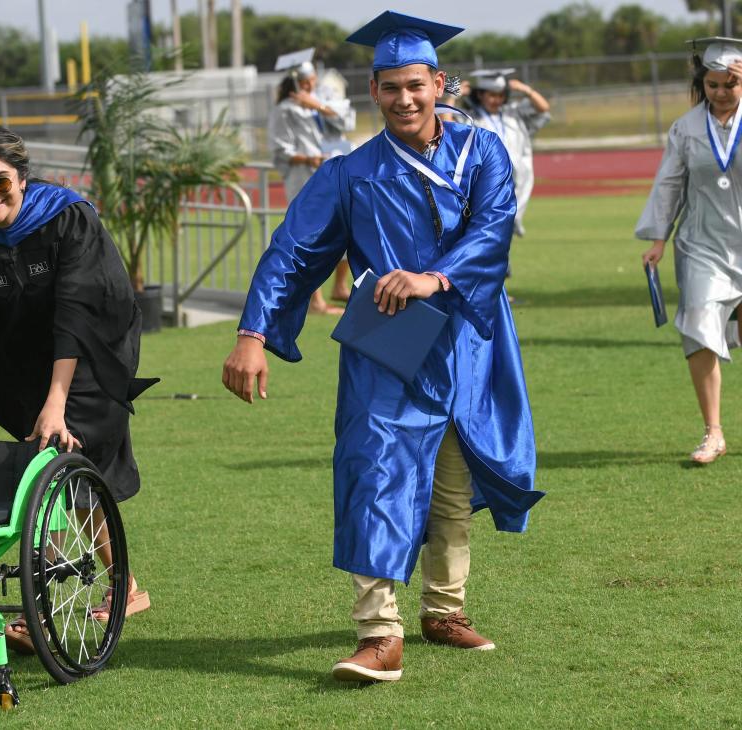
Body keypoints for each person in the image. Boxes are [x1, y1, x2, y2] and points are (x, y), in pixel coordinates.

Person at [223, 11, 543, 683]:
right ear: (374, 90)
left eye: (416, 85)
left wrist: (434, 277)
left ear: (439, 83)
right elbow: (292, 253)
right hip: (388, 341)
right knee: (377, 475)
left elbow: (493, 231)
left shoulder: (481, 153)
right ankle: (378, 633)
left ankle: (444, 609)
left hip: (470, 333)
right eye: (391, 87)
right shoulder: (350, 172)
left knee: (454, 482)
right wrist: (253, 332)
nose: (405, 99)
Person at [0, 126, 155, 652]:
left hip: (95, 345)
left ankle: (41, 611)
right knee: (72, 475)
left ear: (22, 177)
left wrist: (56, 404)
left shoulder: (67, 216)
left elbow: (77, 313)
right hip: (17, 358)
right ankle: (125, 583)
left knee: (50, 457)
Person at [637, 38, 742, 463]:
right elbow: (669, 183)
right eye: (712, 84)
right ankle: (713, 432)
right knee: (697, 327)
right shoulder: (686, 128)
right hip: (701, 242)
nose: (719, 92)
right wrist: (658, 238)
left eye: (729, 84)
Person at [269, 61, 351, 311]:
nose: (309, 84)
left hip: (329, 171)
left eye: (312, 79)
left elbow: (345, 124)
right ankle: (315, 300)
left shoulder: (320, 104)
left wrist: (318, 106)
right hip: (302, 175)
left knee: (344, 227)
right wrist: (308, 158)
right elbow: (279, 148)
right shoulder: (284, 110)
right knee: (311, 235)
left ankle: (340, 286)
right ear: (293, 82)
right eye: (304, 80)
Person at [464, 69, 550, 240]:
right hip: (487, 179)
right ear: (480, 95)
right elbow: (448, 124)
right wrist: (453, 96)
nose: (497, 100)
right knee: (489, 227)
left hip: (517, 177)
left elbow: (543, 108)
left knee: (501, 231)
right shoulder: (471, 118)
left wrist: (526, 90)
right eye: (492, 95)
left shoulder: (513, 113)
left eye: (501, 95)